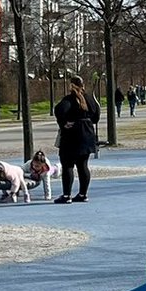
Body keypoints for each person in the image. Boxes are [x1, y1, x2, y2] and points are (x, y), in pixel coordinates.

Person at [52, 75, 100, 203]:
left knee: (67, 165)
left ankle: (67, 195)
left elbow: (59, 110)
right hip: (87, 134)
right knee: (83, 165)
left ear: (71, 85)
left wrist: (64, 123)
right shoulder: (89, 98)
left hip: (72, 135)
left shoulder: (69, 100)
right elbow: (96, 116)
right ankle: (83, 194)